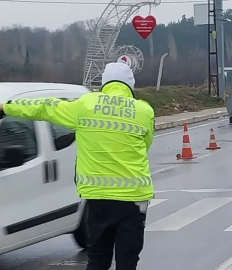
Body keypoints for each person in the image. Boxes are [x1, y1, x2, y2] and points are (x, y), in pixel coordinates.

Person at [0, 62, 155, 270]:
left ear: (104, 83)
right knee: (128, 261)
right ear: (130, 85)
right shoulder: (144, 111)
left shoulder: (85, 106)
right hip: (133, 201)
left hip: (98, 199)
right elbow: (145, 146)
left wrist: (6, 107)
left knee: (98, 260)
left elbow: (45, 107)